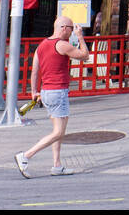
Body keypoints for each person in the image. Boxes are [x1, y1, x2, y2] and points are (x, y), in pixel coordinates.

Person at [14, 16, 90, 178]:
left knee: (59, 130)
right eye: (71, 28)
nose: (72, 32)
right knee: (58, 132)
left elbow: (35, 71)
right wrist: (81, 37)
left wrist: (34, 91)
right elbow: (85, 56)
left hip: (46, 92)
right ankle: (25, 156)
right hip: (58, 92)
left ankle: (57, 165)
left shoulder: (41, 46)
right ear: (63, 28)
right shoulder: (62, 45)